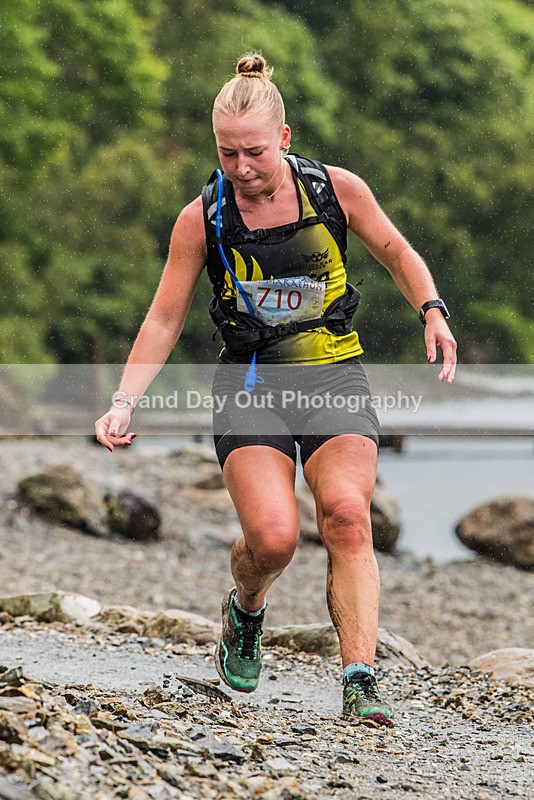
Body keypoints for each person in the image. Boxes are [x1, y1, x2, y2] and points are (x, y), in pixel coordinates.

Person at [95, 53, 457, 728]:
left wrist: (431, 310)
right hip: (251, 384)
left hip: (333, 375)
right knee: (272, 541)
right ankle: (246, 608)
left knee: (346, 516)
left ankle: (360, 679)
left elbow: (397, 252)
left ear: (284, 138)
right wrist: (124, 400)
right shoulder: (202, 219)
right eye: (227, 153)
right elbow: (164, 318)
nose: (241, 167)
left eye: (255, 152)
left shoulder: (335, 191)